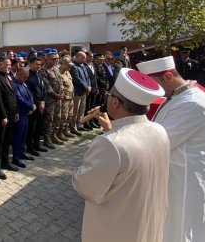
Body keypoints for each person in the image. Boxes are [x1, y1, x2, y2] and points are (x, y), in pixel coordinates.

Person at [72, 68, 169, 242]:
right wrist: (111, 130)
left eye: (110, 95)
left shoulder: (109, 144)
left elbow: (86, 187)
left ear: (115, 102)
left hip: (116, 229)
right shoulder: (159, 130)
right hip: (146, 224)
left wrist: (107, 136)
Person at [138, 56, 205, 242]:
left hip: (187, 185)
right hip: (178, 180)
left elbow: (158, 142)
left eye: (153, 84)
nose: (153, 91)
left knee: (183, 232)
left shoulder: (193, 104)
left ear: (167, 76)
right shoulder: (178, 96)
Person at [0, 57, 19, 174]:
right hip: (3, 116)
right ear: (0, 64)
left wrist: (16, 111)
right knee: (0, 142)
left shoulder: (8, 76)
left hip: (11, 114)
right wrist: (3, 116)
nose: (9, 66)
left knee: (7, 140)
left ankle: (5, 162)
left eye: (10, 64)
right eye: (7, 64)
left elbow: (13, 95)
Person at [12, 68, 35, 168]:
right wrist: (31, 106)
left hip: (26, 114)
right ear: (19, 74)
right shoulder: (15, 84)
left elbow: (30, 94)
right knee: (18, 137)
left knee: (24, 135)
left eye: (27, 77)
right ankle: (16, 158)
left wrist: (32, 104)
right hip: (20, 114)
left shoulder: (23, 83)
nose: (26, 79)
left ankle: (22, 153)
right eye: (24, 76)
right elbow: (19, 98)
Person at [25, 57, 47, 154]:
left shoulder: (39, 75)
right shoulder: (27, 76)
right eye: (36, 64)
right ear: (30, 64)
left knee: (39, 126)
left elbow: (43, 89)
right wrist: (36, 103)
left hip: (41, 106)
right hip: (33, 106)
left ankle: (37, 145)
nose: (38, 66)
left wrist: (43, 101)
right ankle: (30, 147)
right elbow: (28, 93)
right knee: (31, 128)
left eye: (40, 64)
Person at [70, 52, 91, 134]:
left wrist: (89, 86)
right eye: (82, 58)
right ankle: (73, 127)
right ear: (77, 57)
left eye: (84, 58)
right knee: (75, 111)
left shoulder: (83, 66)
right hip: (77, 92)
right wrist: (86, 87)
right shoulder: (74, 67)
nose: (84, 59)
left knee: (81, 110)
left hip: (84, 92)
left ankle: (80, 125)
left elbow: (87, 77)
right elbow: (77, 79)